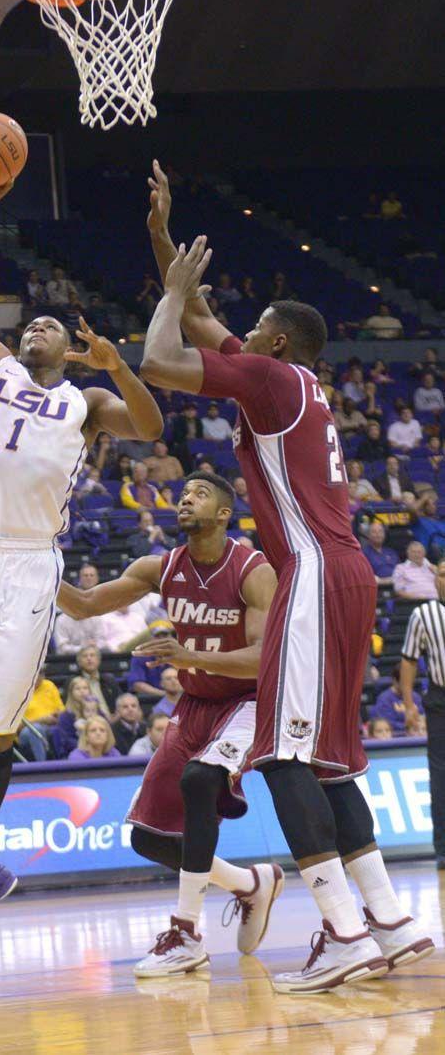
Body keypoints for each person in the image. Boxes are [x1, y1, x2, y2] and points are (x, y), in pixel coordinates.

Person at [140, 161, 432, 990]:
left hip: (306, 574)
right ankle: (388, 919)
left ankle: (342, 934)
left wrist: (170, 297)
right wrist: (165, 243)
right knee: (332, 760)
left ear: (272, 341)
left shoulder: (268, 380)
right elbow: (201, 320)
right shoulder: (292, 380)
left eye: (253, 329)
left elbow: (166, 351)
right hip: (350, 574)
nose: (238, 334)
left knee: (282, 758)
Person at [0, 178, 163, 952]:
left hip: (27, 568)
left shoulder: (87, 403)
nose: (40, 326)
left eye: (53, 324)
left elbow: (151, 430)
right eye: (34, 322)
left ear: (69, 348)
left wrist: (120, 368)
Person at [58, 469, 282, 974]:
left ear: (224, 513)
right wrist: (40, 573)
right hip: (195, 707)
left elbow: (263, 657)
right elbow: (87, 605)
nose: (185, 499)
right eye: (182, 494)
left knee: (201, 781)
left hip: (244, 703)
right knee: (146, 837)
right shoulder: (161, 567)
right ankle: (251, 884)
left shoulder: (252, 570)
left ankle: (186, 934)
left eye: (200, 494)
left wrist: (186, 656)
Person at [400, 560, 445, 870]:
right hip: (440, 701)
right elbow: (409, 660)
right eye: (442, 572)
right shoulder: (423, 614)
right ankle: (442, 848)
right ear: (434, 578)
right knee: (440, 777)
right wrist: (409, 704)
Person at [53, 565, 106, 653]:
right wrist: (82, 648)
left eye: (91, 575)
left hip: (94, 654)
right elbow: (62, 648)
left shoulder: (95, 618)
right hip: (69, 658)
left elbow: (102, 642)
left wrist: (95, 645)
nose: (89, 578)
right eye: (85, 575)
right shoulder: (61, 620)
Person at [17, 671, 64, 762]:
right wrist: (40, 720)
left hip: (51, 726)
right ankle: (42, 765)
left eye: (41, 673)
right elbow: (15, 728)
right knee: (36, 729)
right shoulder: (16, 692)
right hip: (26, 731)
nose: (38, 676)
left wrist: (57, 715)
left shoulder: (49, 686)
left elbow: (61, 710)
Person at [371, 665, 423, 735]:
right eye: (405, 683)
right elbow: (387, 724)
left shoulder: (416, 697)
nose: (408, 686)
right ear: (395, 680)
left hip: (416, 734)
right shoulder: (384, 699)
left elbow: (422, 717)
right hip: (395, 737)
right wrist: (408, 726)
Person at [362, 522, 399, 587]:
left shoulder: (391, 552)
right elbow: (364, 575)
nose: (378, 534)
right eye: (374, 532)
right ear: (368, 535)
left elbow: (400, 571)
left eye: (380, 531)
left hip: (396, 587)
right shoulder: (364, 553)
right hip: (375, 588)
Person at [410, 493, 445, 562]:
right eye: (429, 505)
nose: (433, 506)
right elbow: (412, 510)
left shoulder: (441, 521)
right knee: (436, 548)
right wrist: (424, 498)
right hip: (430, 551)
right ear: (423, 507)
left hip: (443, 549)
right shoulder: (418, 521)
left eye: (434, 504)